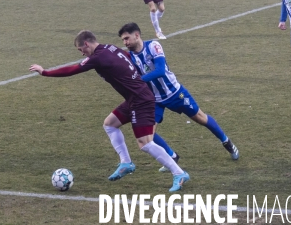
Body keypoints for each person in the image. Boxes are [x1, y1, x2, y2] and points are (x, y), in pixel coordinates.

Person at [29, 31, 191, 192]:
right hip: (135, 98)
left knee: (145, 144)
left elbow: (73, 69)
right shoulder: (111, 48)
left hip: (141, 100)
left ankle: (179, 173)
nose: (82, 53)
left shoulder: (98, 58)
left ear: (86, 43)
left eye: (81, 50)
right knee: (110, 124)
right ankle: (126, 163)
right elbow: (128, 58)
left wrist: (45, 72)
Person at [119, 22, 240, 167]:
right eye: (123, 40)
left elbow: (160, 71)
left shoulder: (153, 46)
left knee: (201, 118)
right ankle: (172, 156)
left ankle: (227, 142)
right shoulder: (129, 57)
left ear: (136, 35)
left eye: (126, 38)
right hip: (154, 99)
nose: (125, 42)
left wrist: (137, 81)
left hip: (175, 93)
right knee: (148, 134)